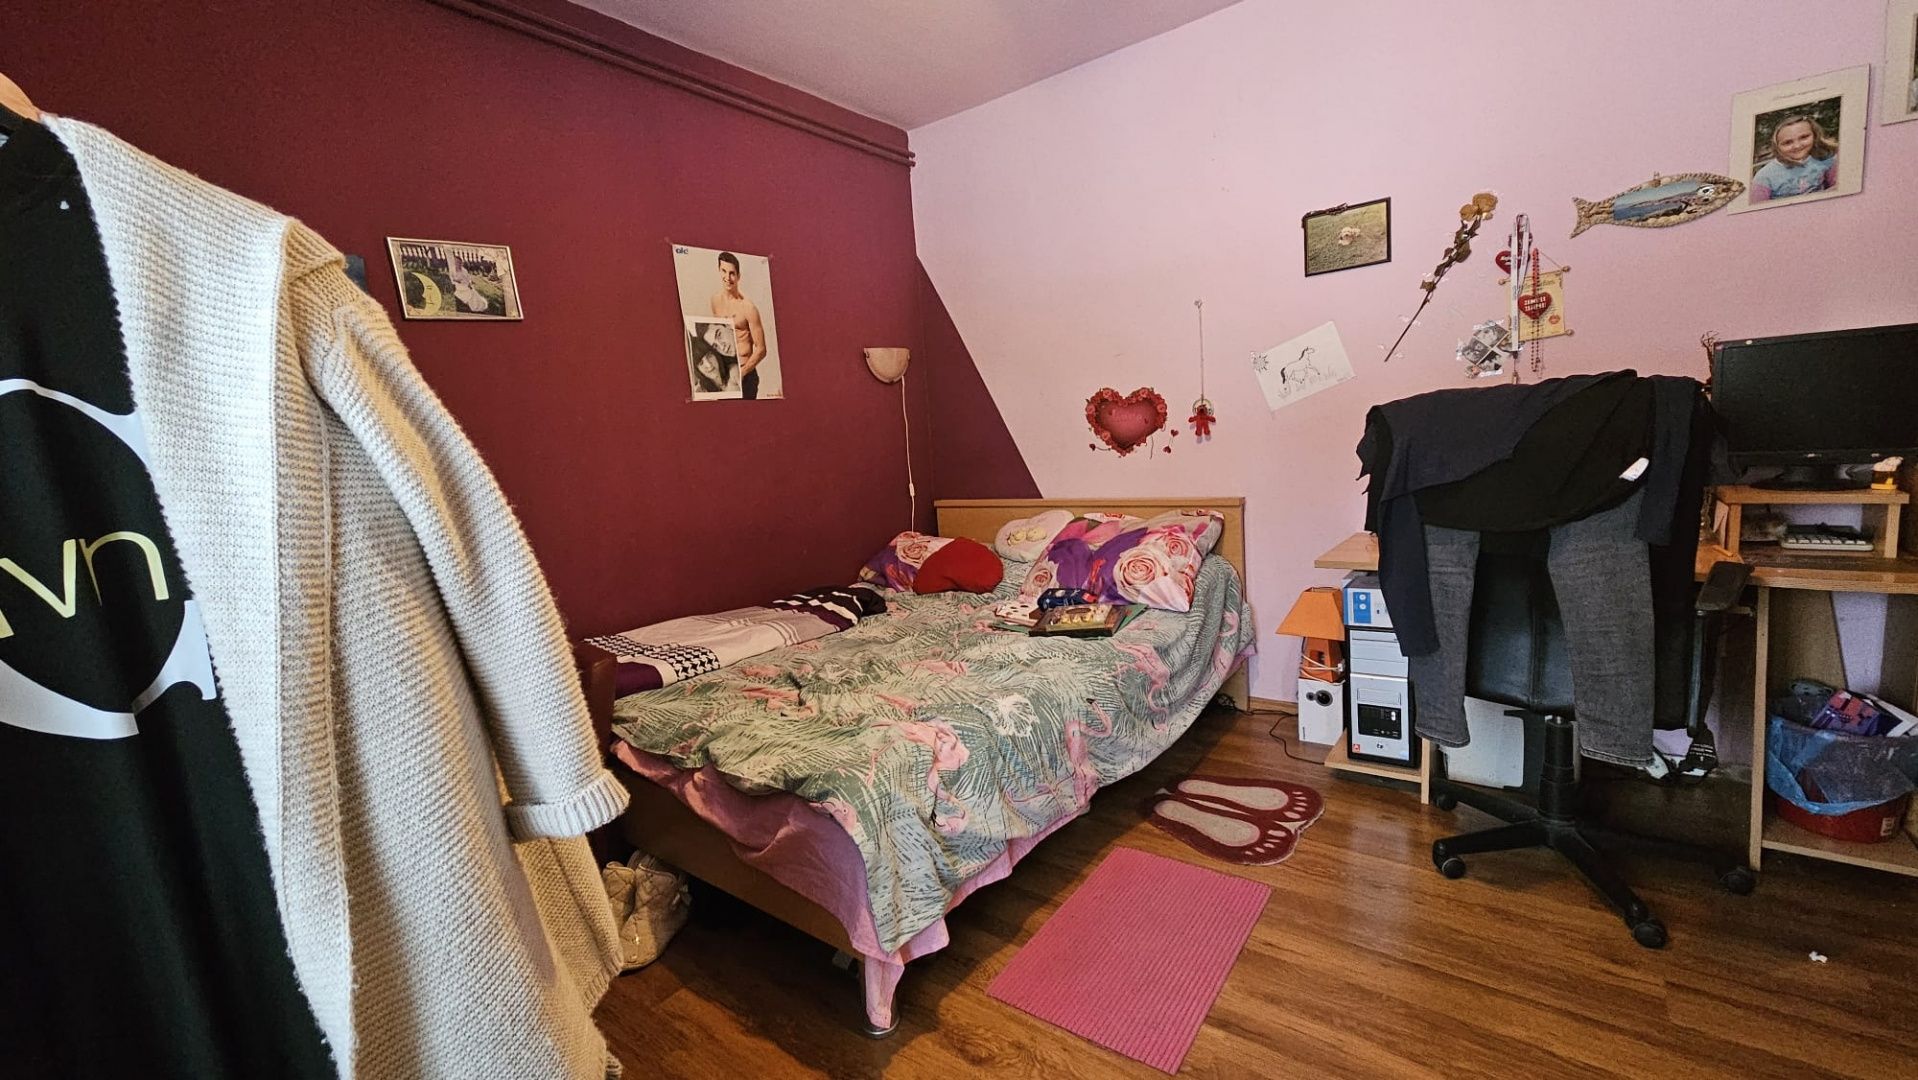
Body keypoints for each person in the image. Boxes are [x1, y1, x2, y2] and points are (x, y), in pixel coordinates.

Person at [709, 251, 768, 399]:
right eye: (724, 271)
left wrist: (743, 372)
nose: (727, 278)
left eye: (732, 273)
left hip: (745, 375)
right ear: (719, 270)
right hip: (726, 375)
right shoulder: (715, 301)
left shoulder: (748, 308)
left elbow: (761, 349)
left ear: (739, 276)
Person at [1749, 113, 1838, 202]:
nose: (1797, 146)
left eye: (1804, 137)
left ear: (1815, 135)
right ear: (1777, 146)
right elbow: (1756, 207)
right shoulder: (1764, 177)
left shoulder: (1826, 159)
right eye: (1787, 142)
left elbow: (1837, 187)